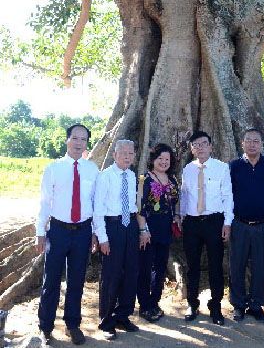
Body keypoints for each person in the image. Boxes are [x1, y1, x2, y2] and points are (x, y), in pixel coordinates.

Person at [35, 124, 98, 346]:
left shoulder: (92, 169)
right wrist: (39, 233)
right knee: (51, 280)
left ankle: (73, 325)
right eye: (75, 138)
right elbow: (44, 202)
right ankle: (45, 327)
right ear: (67, 140)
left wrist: (95, 233)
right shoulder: (53, 168)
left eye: (83, 139)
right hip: (58, 231)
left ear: (86, 143)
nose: (79, 143)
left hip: (82, 232)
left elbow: (95, 204)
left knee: (76, 281)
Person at [180, 131, 233, 326]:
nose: (200, 147)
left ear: (211, 146)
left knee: (215, 266)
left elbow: (227, 196)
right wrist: (182, 215)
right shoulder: (188, 169)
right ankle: (192, 303)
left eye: (204, 143)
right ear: (192, 149)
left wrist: (227, 223)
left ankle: (216, 306)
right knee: (192, 266)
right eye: (196, 145)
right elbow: (185, 195)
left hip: (214, 222)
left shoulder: (221, 168)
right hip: (192, 223)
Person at [229, 128, 264, 323]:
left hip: (263, 224)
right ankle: (238, 305)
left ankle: (257, 305)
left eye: (256, 141)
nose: (252, 144)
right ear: (242, 144)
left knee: (260, 266)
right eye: (248, 140)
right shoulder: (234, 166)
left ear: (261, 145)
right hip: (239, 223)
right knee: (237, 265)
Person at [93, 139, 139, 340]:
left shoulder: (132, 175)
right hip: (112, 226)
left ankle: (123, 315)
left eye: (131, 153)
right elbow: (98, 209)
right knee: (111, 275)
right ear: (114, 155)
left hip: (131, 227)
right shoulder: (105, 176)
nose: (128, 157)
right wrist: (102, 237)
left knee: (130, 272)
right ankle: (106, 321)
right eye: (124, 153)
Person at [137, 143, 180, 322]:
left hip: (165, 229)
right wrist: (143, 230)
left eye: (167, 159)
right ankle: (144, 305)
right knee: (145, 268)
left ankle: (154, 302)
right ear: (153, 159)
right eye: (160, 158)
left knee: (160, 267)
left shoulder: (173, 180)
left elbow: (176, 200)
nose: (163, 162)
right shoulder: (144, 180)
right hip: (148, 230)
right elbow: (140, 207)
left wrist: (177, 215)